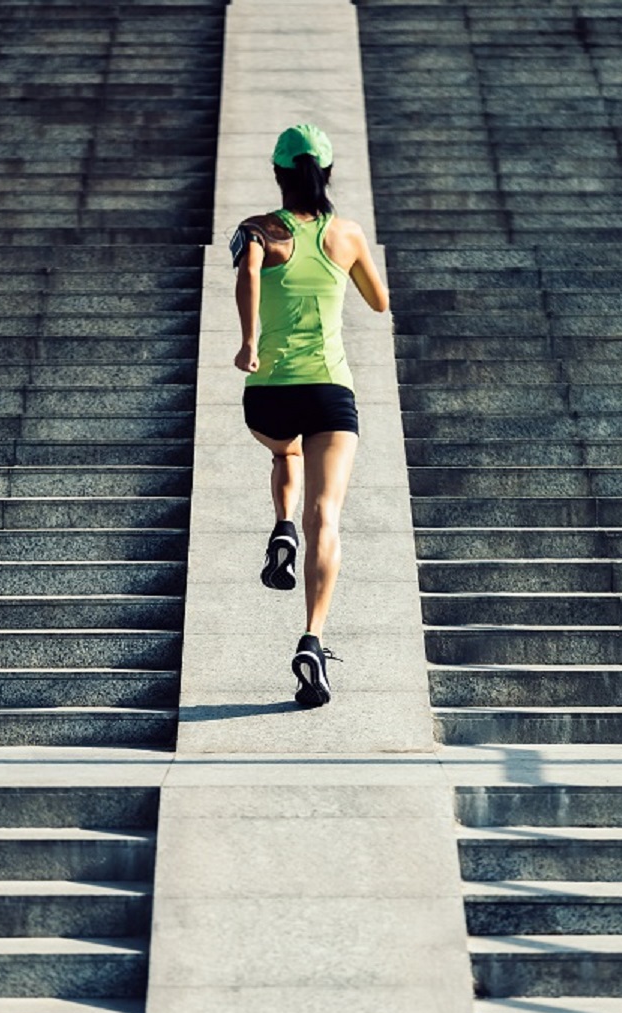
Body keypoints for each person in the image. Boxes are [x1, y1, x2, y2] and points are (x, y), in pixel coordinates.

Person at [231, 123, 389, 707]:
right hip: (328, 389)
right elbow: (379, 301)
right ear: (325, 174)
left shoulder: (256, 231)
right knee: (329, 514)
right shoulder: (345, 234)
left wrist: (249, 342)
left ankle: (281, 525)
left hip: (269, 390)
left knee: (283, 450)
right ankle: (312, 640)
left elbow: (248, 275)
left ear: (277, 174)